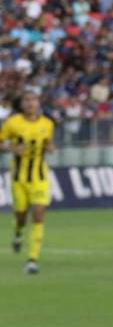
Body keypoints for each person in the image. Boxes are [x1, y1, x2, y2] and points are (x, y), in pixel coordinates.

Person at [1, 90, 55, 275]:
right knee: (21, 216)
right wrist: (11, 148)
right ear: (22, 104)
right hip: (19, 178)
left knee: (38, 214)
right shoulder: (12, 123)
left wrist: (50, 147)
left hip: (39, 178)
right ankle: (17, 234)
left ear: (39, 103)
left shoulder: (47, 124)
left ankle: (32, 259)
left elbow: (48, 143)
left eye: (34, 100)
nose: (31, 103)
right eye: (27, 100)